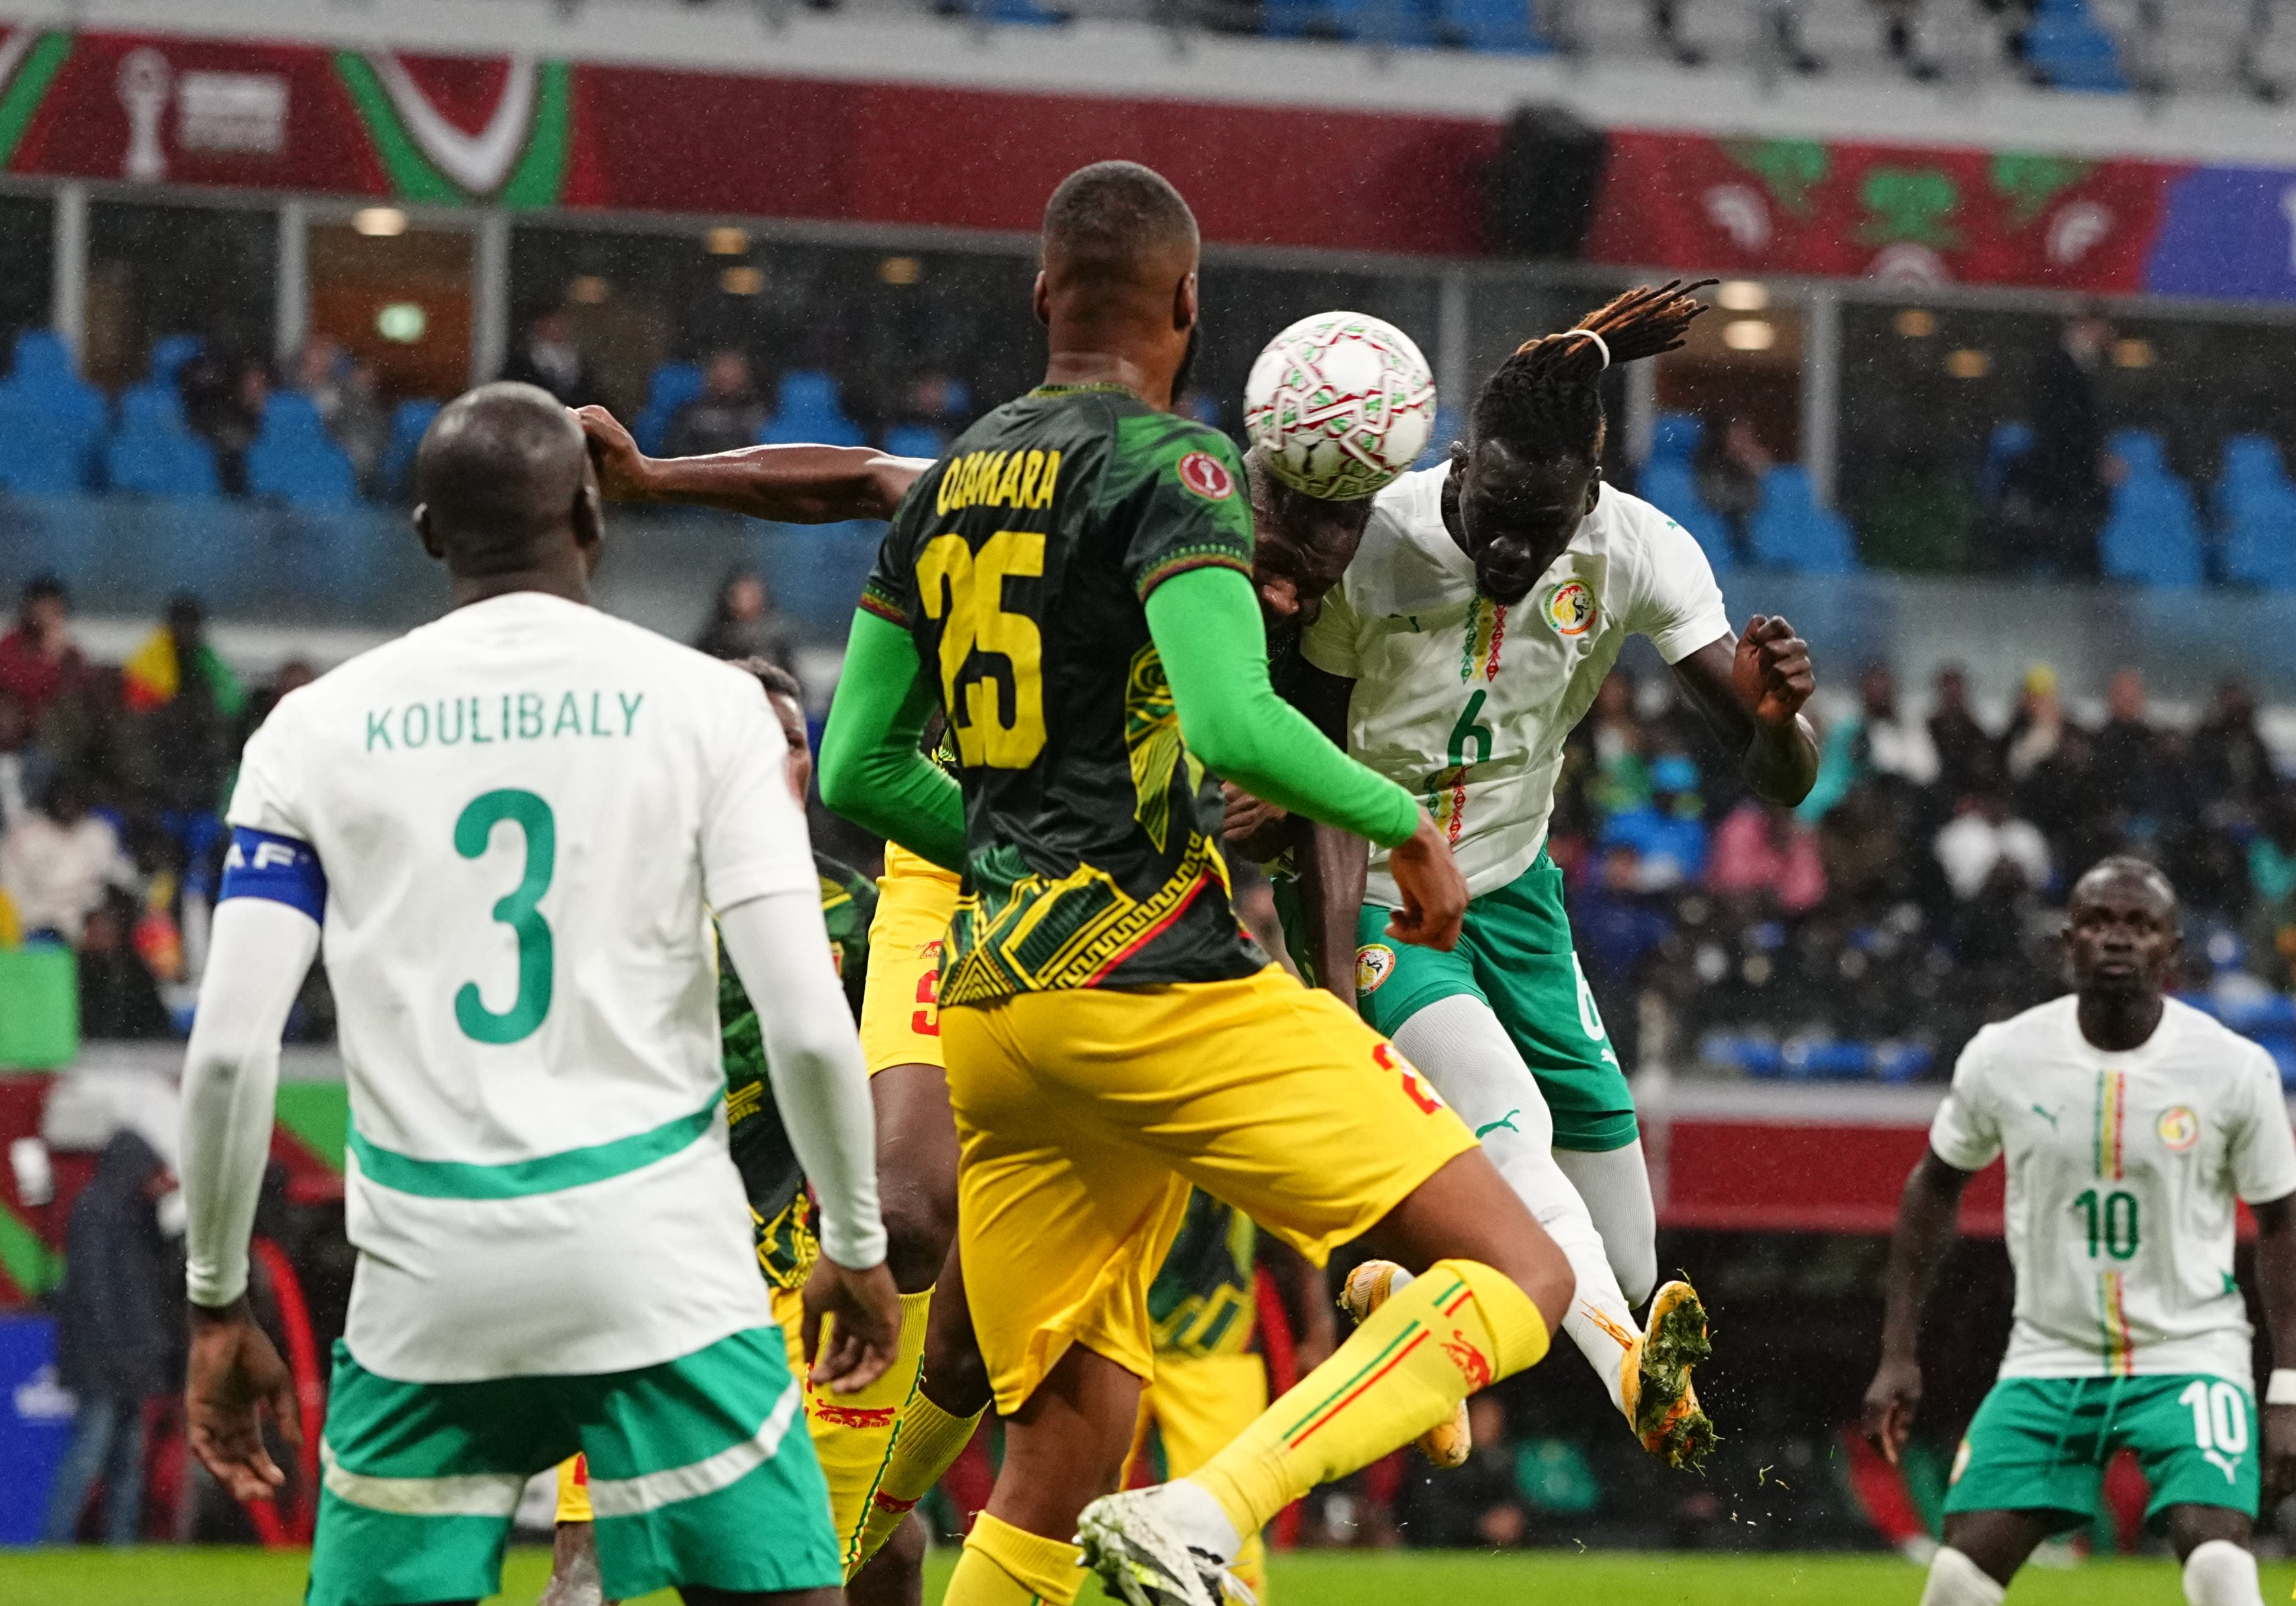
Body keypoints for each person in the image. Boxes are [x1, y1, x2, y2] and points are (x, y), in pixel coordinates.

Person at [817, 158, 1574, 1606]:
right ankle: (1214, 1510)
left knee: (1061, 1439)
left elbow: (854, 767)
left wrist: (1011, 846)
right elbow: (1234, 727)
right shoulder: (1184, 471)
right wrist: (1399, 822)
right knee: (1519, 1275)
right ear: (1187, 303)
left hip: (991, 1005)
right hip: (1149, 980)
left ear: (1042, 294)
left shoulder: (955, 478)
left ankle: (848, 1542)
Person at [176, 382, 900, 1606]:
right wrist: (853, 1240)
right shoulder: (713, 709)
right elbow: (802, 1019)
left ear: (423, 532)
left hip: (426, 1275)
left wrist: (215, 1304)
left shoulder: (309, 731)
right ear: (589, 516)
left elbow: (231, 1058)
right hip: (660, 1263)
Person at [1295, 282, 1818, 1470]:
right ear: (1459, 463)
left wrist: (1783, 719)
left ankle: (1406, 1293)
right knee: (1515, 1135)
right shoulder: (1373, 540)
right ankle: (1636, 1382)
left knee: (1620, 1257)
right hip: (1374, 888)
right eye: (1492, 510)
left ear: (1591, 491)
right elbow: (1314, 772)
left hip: (1516, 895)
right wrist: (1334, 987)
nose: (1510, 547)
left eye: (1543, 521)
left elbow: (1778, 775)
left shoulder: (1635, 549)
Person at [543, 657, 920, 1606]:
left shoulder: (864, 917)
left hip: (821, 1271)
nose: (769, 758)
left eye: (790, 740)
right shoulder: (619, 910)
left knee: (870, 1549)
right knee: (586, 1572)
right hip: (654, 1276)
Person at [1863, 858, 2296, 1606]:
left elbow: (2283, 1224)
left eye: (2139, 925)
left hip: (2190, 1350)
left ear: (2171, 946)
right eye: (2099, 921)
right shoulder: (2003, 1056)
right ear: (2067, 940)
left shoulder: (2233, 1069)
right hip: (2048, 1353)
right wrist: (1897, 1351)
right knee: (1954, 1584)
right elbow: (1933, 1186)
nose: (2118, 939)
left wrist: (2289, 1386)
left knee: (2218, 1559)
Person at [43, 1128, 174, 1545]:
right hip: (106, 1361)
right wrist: (122, 1350)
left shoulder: (130, 1215)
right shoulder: (99, 1211)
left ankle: (118, 1544)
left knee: (124, 1460)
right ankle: (56, 1539)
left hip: (124, 1359)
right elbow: (97, 1291)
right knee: (92, 1453)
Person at [0, 771, 138, 944]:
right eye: (61, 798)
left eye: (72, 798)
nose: (66, 804)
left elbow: (124, 875)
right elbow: (9, 888)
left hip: (90, 922)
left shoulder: (98, 832)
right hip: (38, 924)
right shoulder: (24, 834)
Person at [0, 574, 85, 722]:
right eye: (43, 608)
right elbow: (20, 689)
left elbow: (78, 694)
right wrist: (50, 660)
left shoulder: (70, 654)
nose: (48, 616)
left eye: (54, 610)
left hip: (51, 731)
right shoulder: (12, 645)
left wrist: (59, 657)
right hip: (16, 731)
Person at [695, 569, 802, 675]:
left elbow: (790, 681)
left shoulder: (776, 636)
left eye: (751, 594)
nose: (745, 600)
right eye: (740, 594)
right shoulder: (716, 636)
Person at [669, 351, 771, 460]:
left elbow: (762, 455)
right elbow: (677, 454)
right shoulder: (691, 413)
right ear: (711, 375)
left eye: (734, 371)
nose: (728, 377)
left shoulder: (757, 412)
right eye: (724, 370)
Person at [501, 308, 599, 407]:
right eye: (553, 323)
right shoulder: (524, 359)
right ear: (540, 326)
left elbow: (590, 393)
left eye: (562, 324)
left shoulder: (577, 359)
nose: (559, 328)